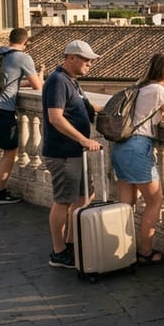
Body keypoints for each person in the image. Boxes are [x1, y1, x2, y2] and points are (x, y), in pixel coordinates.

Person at [110, 54, 164, 264]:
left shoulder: (140, 87)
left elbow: (154, 116)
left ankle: (122, 250)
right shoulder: (158, 90)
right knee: (155, 201)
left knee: (127, 202)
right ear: (161, 70)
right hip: (138, 147)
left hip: (122, 147)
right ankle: (145, 252)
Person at [42, 40, 102, 268]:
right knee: (63, 201)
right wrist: (83, 139)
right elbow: (55, 117)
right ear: (71, 58)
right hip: (63, 152)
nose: (89, 64)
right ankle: (58, 252)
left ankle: (70, 242)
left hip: (74, 153)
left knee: (84, 197)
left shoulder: (71, 82)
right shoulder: (58, 81)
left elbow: (83, 109)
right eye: (86, 60)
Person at [0, 29, 42, 205]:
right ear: (25, 42)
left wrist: (22, 82)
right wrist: (40, 78)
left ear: (9, 39)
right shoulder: (23, 58)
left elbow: (5, 80)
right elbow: (38, 86)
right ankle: (0, 193)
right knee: (10, 150)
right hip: (2, 109)